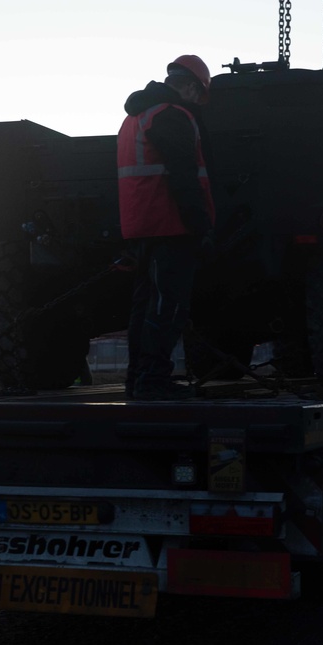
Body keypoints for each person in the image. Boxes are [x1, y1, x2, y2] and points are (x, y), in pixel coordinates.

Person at [117, 55, 216, 400]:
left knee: (144, 305)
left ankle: (138, 378)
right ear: (190, 86)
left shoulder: (135, 117)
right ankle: (152, 380)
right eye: (198, 95)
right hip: (170, 224)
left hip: (141, 225)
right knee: (168, 306)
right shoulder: (172, 116)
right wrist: (200, 225)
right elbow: (185, 177)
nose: (197, 104)